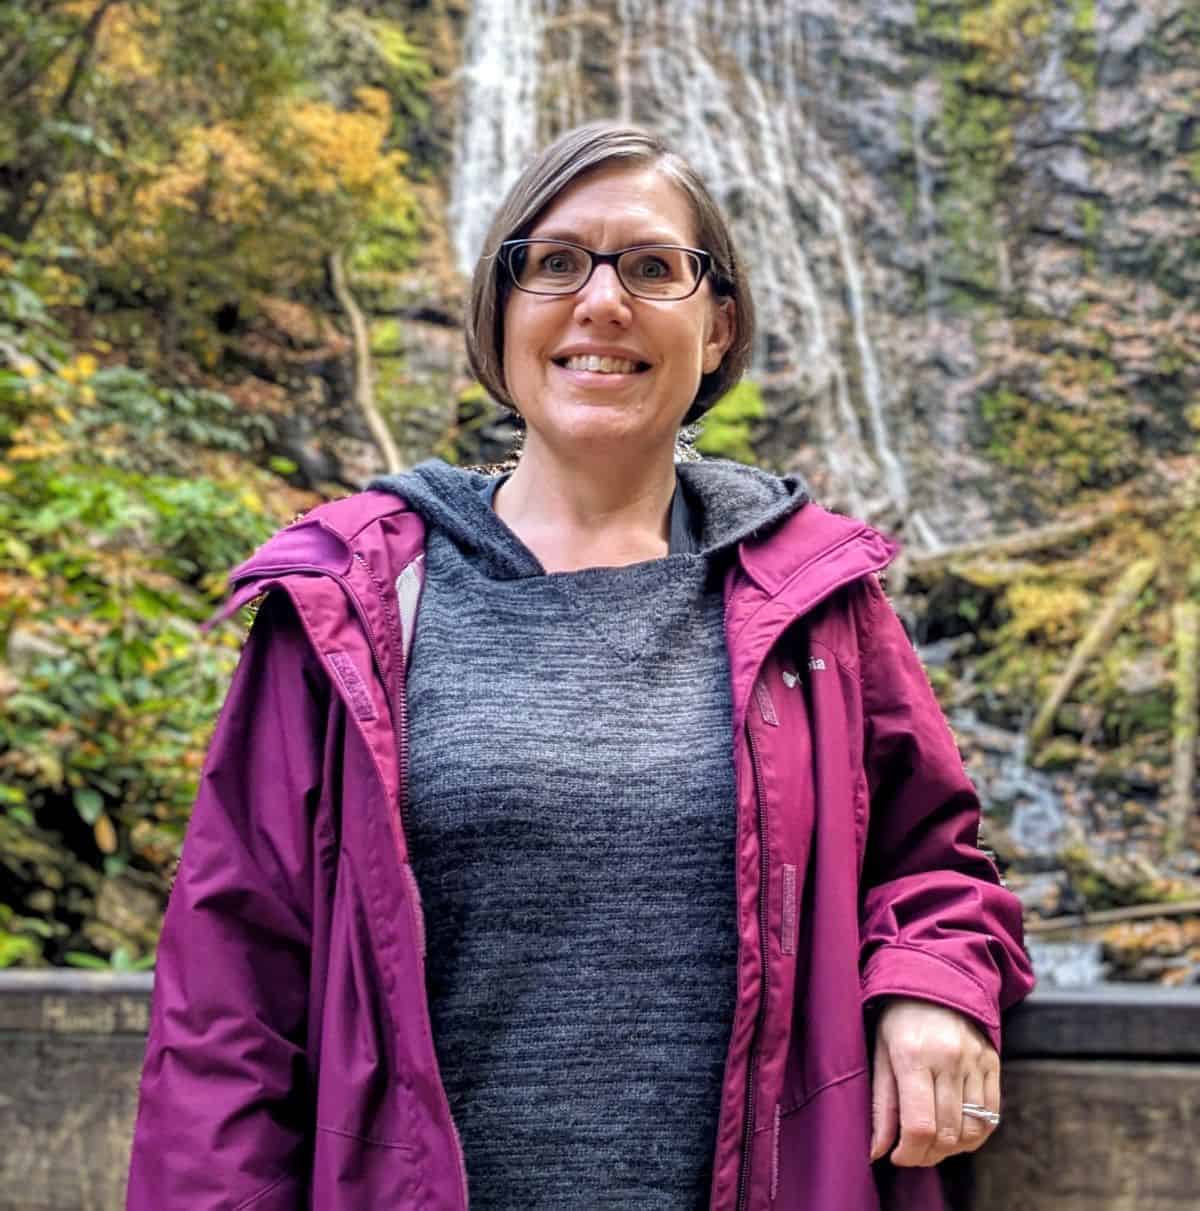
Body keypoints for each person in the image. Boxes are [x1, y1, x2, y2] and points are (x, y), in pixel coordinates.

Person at [126, 123, 1034, 1211]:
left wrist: (934, 986)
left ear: (718, 321)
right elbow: (227, 1000)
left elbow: (938, 862)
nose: (601, 302)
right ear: (498, 310)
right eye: (553, 263)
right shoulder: (351, 605)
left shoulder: (817, 606)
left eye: (653, 267)